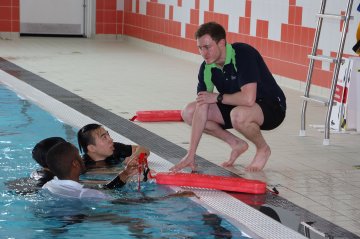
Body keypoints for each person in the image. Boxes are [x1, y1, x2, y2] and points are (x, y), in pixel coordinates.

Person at [170, 22, 286, 172]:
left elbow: (249, 99)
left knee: (238, 115)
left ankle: (263, 149)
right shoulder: (206, 68)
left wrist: (217, 97)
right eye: (200, 48)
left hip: (271, 106)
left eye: (207, 47)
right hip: (236, 105)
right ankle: (236, 143)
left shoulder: (243, 54)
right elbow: (202, 105)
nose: (203, 53)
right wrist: (190, 154)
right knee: (189, 112)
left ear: (221, 43)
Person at [43, 141, 195, 201]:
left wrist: (125, 174)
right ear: (75, 164)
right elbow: (129, 203)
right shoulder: (87, 194)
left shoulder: (48, 185)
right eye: (78, 157)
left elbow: (105, 189)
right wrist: (172, 196)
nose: (83, 158)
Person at [77, 123, 150, 172]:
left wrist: (132, 157)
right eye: (104, 137)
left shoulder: (114, 148)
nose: (111, 139)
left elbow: (144, 150)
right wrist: (123, 166)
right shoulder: (83, 166)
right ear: (92, 148)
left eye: (108, 135)